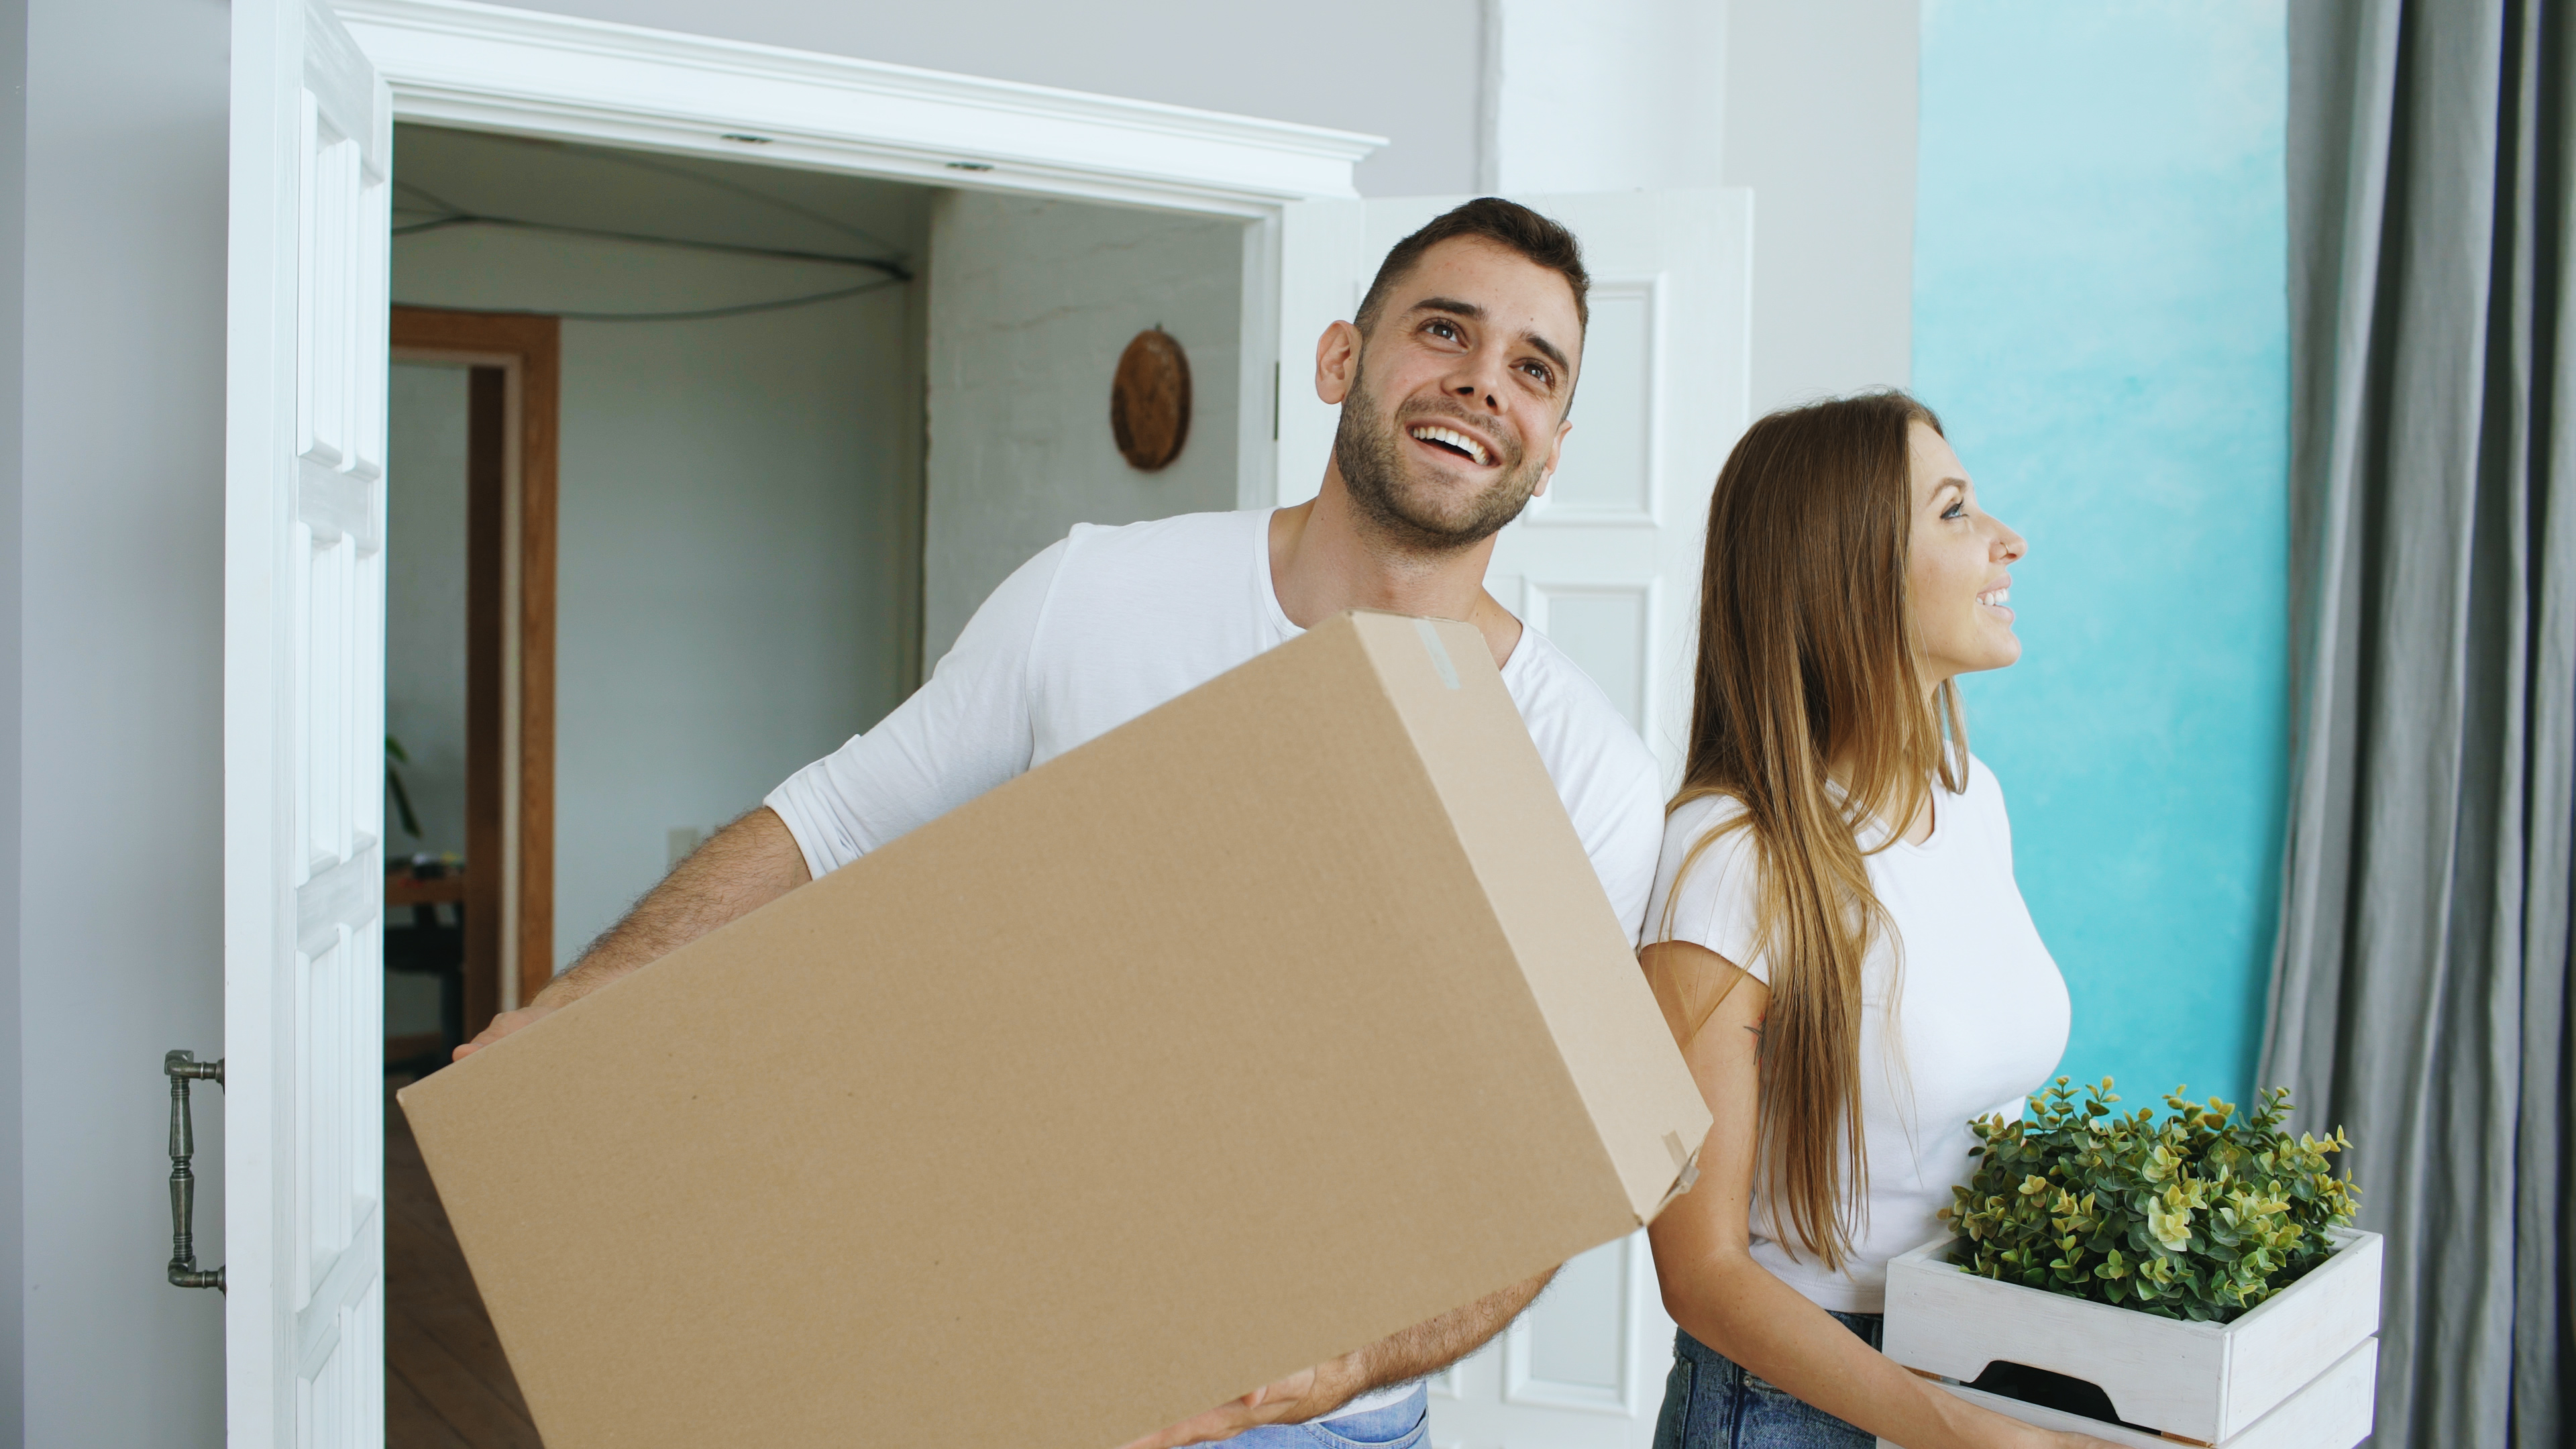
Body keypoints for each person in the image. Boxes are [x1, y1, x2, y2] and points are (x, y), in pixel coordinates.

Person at [455, 199, 1664, 1449]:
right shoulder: (1098, 593)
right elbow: (837, 819)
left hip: (1305, 1423)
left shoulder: (1584, 773)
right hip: (986, 1359)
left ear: (1554, 445)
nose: (1480, 385)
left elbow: (1548, 1167)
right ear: (1340, 361)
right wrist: (578, 1006)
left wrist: (1351, 1359)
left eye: (1531, 370)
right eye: (1445, 332)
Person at [1639, 393, 2118, 1449]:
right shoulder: (1730, 858)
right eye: (1954, 512)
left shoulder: (1968, 798)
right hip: (1787, 1410)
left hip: (1962, 1367)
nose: (2008, 540)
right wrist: (1966, 1433)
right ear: (1845, 573)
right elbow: (1700, 1270)